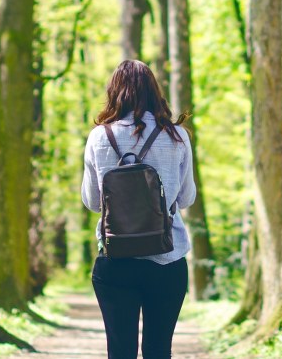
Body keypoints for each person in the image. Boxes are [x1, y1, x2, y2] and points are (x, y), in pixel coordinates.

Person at [81, 59, 198, 359]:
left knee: (119, 353)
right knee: (159, 351)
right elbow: (185, 199)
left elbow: (93, 202)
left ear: (114, 92)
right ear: (152, 91)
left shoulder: (99, 137)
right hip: (167, 260)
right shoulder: (177, 136)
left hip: (115, 261)